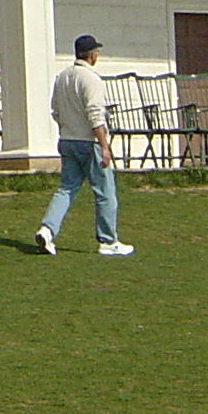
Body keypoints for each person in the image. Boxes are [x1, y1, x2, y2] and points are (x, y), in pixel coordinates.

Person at [36, 35, 132, 257]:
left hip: (67, 140)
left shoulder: (62, 77)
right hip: (89, 143)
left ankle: (47, 230)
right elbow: (95, 116)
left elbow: (56, 111)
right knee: (105, 192)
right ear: (92, 54)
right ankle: (108, 240)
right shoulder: (91, 79)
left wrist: (67, 128)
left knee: (66, 188)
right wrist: (104, 146)